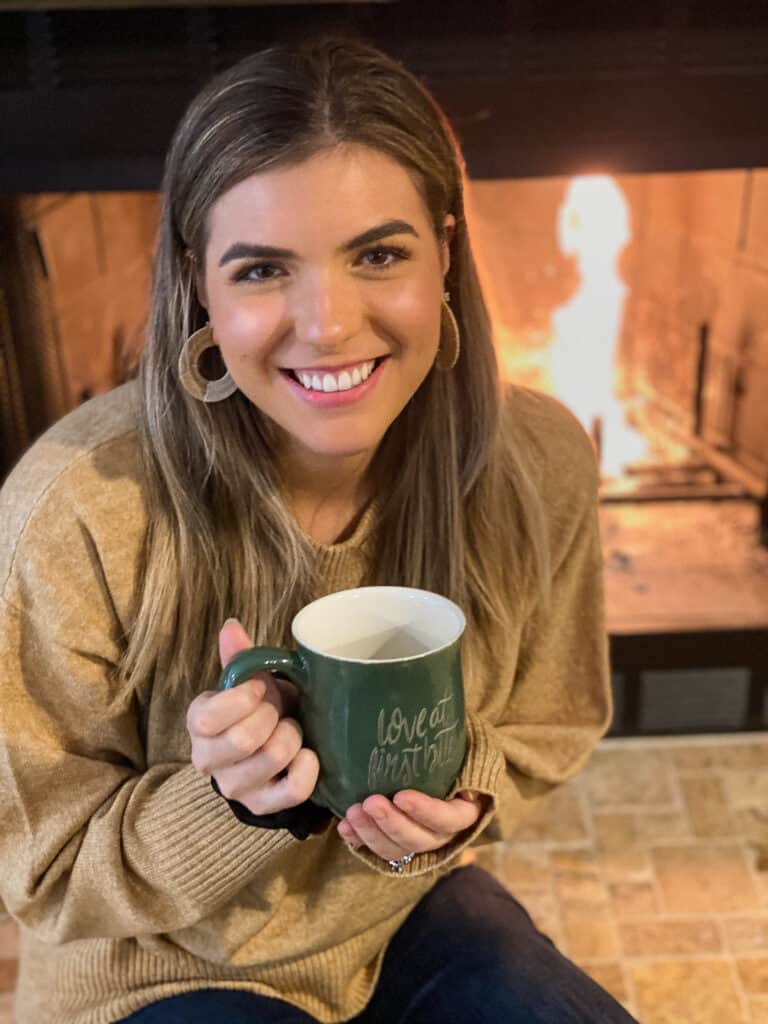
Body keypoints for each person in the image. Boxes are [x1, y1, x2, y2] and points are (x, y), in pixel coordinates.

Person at [0, 34, 637, 1024]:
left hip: (399, 922)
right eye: (261, 269)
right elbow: (35, 871)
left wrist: (461, 799)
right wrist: (231, 805)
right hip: (154, 976)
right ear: (196, 280)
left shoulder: (537, 462)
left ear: (447, 251)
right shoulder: (75, 512)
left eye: (379, 253)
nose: (328, 324)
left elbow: (549, 722)